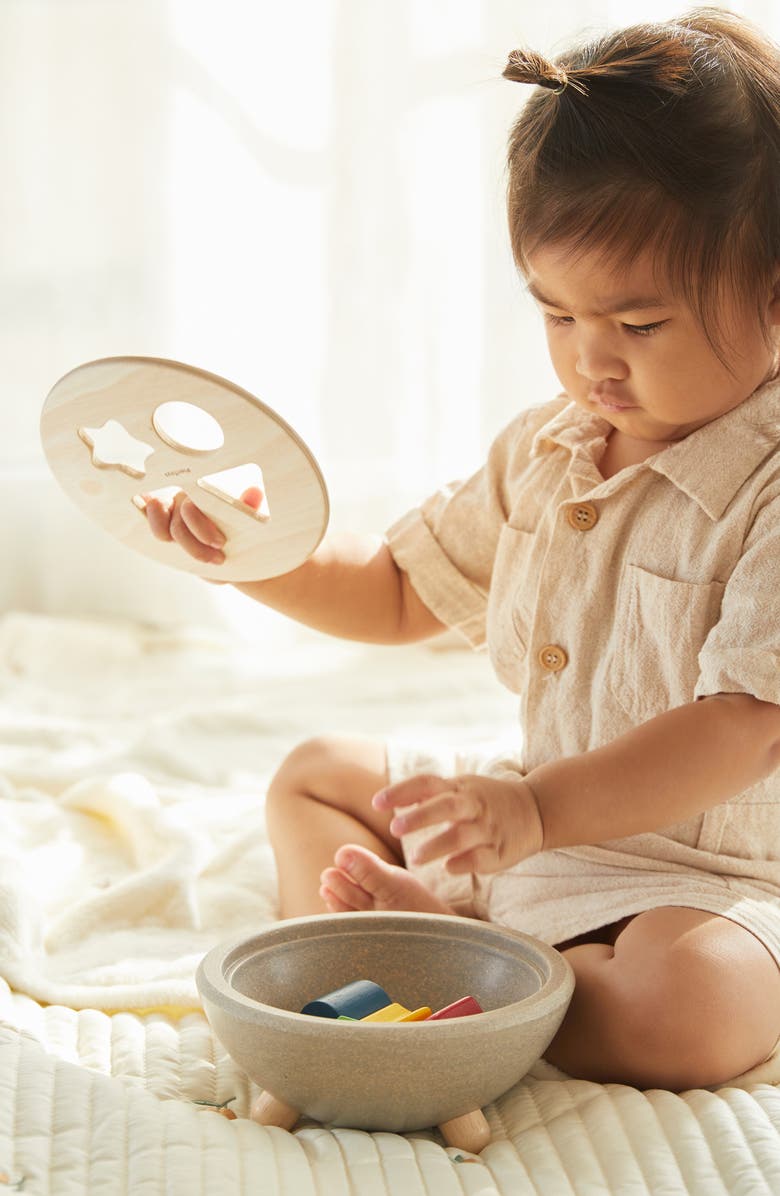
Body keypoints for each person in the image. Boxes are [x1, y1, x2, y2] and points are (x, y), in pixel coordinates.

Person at [144, 7, 780, 1091]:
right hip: (525, 838)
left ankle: (465, 979)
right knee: (317, 777)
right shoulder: (550, 446)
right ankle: (430, 948)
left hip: (700, 874)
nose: (592, 363)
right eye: (556, 315)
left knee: (696, 1009)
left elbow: (744, 726)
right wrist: (256, 556)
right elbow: (399, 590)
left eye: (638, 325)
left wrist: (537, 813)